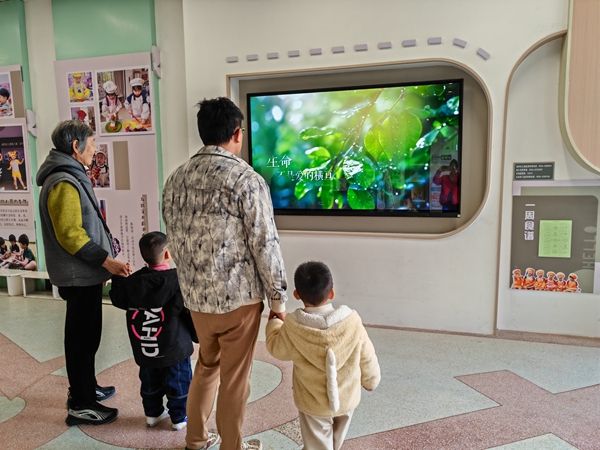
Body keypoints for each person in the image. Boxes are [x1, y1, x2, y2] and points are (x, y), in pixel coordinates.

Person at [162, 97, 288, 450]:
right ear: (237, 133)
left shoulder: (175, 179)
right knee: (235, 379)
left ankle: (196, 439)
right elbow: (266, 243)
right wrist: (278, 300)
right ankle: (231, 446)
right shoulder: (246, 179)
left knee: (206, 366)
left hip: (196, 299)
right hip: (239, 300)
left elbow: (174, 236)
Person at [36, 119, 131, 426]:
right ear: (75, 147)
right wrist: (107, 262)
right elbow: (70, 235)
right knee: (81, 340)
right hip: (78, 275)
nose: (95, 149)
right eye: (91, 144)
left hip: (84, 274)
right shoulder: (63, 182)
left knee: (87, 337)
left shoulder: (71, 175)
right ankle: (81, 403)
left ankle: (86, 387)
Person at [265, 261, 381, 450]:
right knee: (335, 442)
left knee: (317, 445)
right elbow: (367, 354)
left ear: (296, 294)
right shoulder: (352, 321)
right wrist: (371, 380)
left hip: (313, 402)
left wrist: (275, 322)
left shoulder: (294, 327)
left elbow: (276, 348)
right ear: (331, 293)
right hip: (346, 397)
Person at [110, 231, 196, 431]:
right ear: (168, 254)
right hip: (174, 347)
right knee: (179, 381)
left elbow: (118, 299)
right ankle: (179, 417)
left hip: (146, 346)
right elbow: (189, 312)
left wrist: (118, 278)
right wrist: (197, 335)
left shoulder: (133, 282)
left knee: (150, 381)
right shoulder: (178, 281)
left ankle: (152, 413)